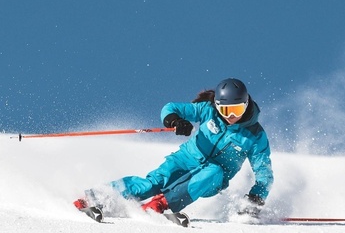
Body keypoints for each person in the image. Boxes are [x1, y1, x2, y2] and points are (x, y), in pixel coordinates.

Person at [74, 78, 274, 218]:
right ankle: (97, 197)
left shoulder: (255, 136)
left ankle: (160, 205)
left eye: (237, 109)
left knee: (214, 170)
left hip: (212, 178)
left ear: (246, 105)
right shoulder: (208, 110)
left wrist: (256, 198)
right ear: (217, 105)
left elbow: (264, 172)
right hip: (186, 158)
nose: (231, 116)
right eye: (225, 110)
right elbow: (170, 107)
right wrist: (175, 120)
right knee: (151, 184)